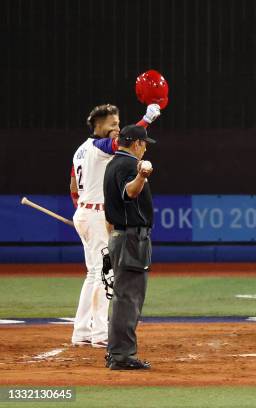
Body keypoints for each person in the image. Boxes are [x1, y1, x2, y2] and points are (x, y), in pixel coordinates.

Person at [70, 103, 160, 348]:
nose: (117, 130)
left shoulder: (80, 150)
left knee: (93, 274)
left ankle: (81, 331)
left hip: (87, 212)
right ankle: (99, 332)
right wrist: (146, 119)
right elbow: (122, 144)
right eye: (113, 125)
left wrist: (82, 210)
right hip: (95, 215)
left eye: (118, 125)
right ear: (98, 126)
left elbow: (72, 187)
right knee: (104, 274)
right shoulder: (98, 145)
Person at [103, 124, 157, 370]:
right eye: (144, 143)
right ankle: (121, 355)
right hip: (131, 239)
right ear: (136, 143)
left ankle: (115, 351)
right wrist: (142, 176)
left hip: (120, 236)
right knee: (129, 298)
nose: (145, 148)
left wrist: (112, 240)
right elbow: (129, 193)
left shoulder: (113, 163)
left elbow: (110, 210)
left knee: (123, 296)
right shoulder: (128, 165)